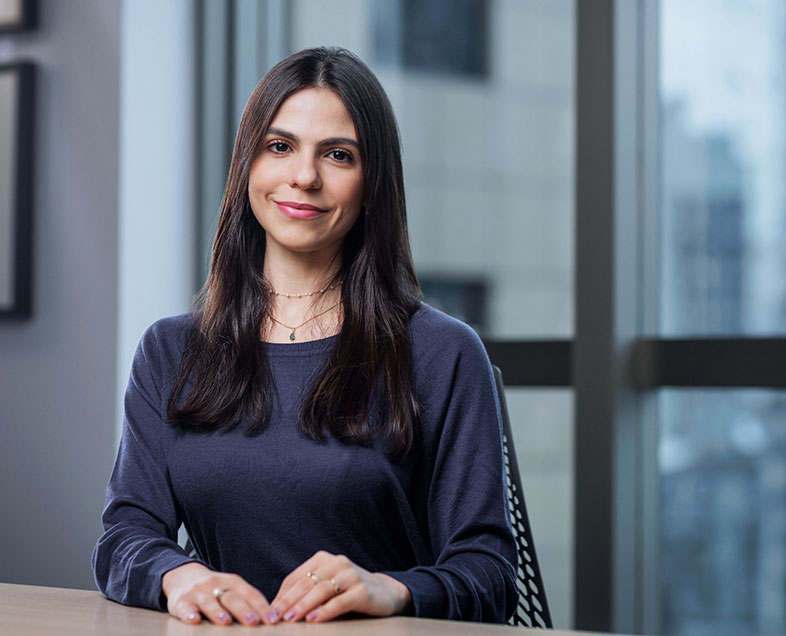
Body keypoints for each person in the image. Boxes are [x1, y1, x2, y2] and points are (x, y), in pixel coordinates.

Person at [92, 46, 517, 626]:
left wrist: (391, 589)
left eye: (338, 155)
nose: (305, 176)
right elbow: (125, 536)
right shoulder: (170, 350)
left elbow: (488, 573)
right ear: (248, 166)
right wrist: (177, 574)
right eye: (280, 146)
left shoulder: (443, 351)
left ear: (372, 184)